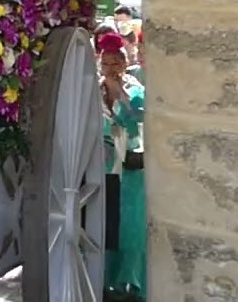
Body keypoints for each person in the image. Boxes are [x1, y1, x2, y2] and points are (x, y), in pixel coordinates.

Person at [98, 31, 146, 297]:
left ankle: (131, 280)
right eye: (106, 63)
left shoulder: (136, 90)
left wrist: (120, 97)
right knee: (104, 223)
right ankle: (104, 279)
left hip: (129, 167)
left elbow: (137, 122)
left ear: (125, 63)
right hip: (102, 165)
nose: (111, 69)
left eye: (116, 62)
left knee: (130, 227)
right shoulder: (94, 90)